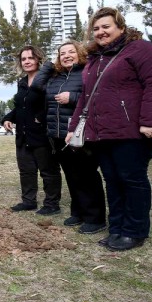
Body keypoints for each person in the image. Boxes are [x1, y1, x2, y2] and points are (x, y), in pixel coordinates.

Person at [66, 7, 152, 251]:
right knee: (112, 180)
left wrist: (149, 121)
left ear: (120, 27)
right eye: (96, 29)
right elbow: (85, 97)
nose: (101, 32)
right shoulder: (95, 58)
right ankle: (117, 228)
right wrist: (74, 127)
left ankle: (134, 231)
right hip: (103, 131)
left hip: (132, 130)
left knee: (131, 179)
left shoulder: (141, 50)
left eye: (106, 27)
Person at [30, 40, 106, 234]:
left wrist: (72, 97)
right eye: (62, 53)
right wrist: (47, 64)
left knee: (87, 176)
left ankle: (95, 218)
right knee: (72, 176)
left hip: (80, 134)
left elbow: (97, 96)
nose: (66, 56)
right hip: (58, 136)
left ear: (80, 53)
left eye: (71, 52)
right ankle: (78, 211)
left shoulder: (87, 72)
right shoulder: (56, 76)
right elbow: (38, 85)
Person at [2, 45, 62, 216]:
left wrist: (40, 117)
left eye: (30, 58)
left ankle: (52, 204)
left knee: (48, 171)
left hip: (42, 134)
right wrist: (8, 117)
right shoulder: (21, 82)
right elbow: (21, 106)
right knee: (26, 170)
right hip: (23, 134)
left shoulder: (49, 79)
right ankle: (28, 201)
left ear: (38, 59)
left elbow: (53, 103)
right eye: (24, 59)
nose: (27, 61)